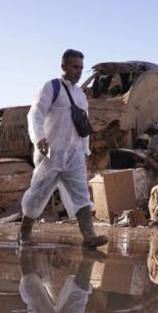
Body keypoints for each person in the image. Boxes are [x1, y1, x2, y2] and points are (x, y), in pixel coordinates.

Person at [18, 49, 107, 248]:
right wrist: (39, 138)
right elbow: (35, 115)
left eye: (81, 68)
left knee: (81, 194)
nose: (78, 71)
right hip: (51, 153)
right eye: (75, 67)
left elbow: (83, 125)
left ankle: (89, 236)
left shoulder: (81, 96)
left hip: (74, 155)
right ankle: (25, 232)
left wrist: (85, 151)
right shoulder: (51, 88)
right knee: (38, 193)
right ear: (63, 67)